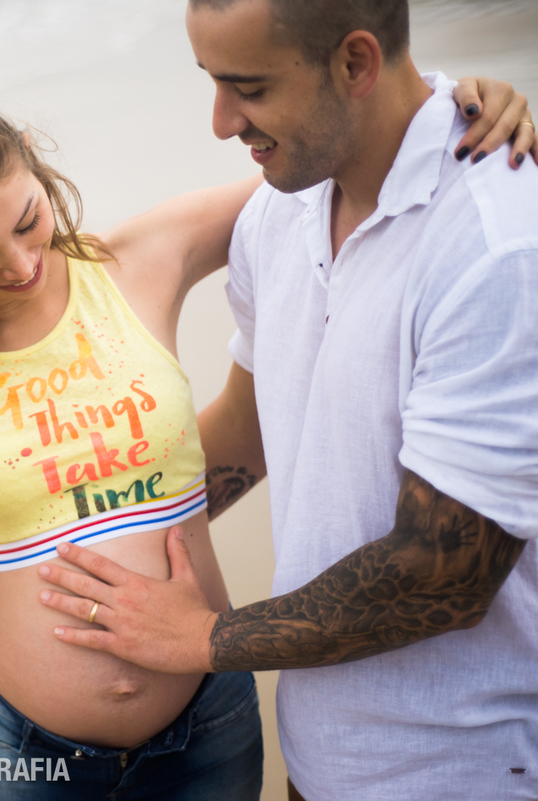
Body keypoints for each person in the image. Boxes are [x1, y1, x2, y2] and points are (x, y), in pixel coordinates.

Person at [0, 77, 530, 799]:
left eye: (26, 221)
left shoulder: (138, 260)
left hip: (205, 726)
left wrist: (452, 106)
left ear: (28, 155)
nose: (19, 266)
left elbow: (344, 156)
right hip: (17, 749)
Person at [34, 2, 538, 800]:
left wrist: (204, 637)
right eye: (211, 82)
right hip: (319, 753)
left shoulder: (497, 244)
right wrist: (77, 528)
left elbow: (447, 572)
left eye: (249, 87)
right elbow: (252, 426)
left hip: (464, 767)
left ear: (356, 64)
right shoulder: (280, 209)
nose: (220, 121)